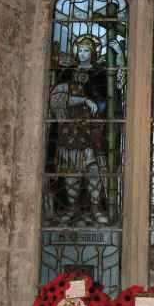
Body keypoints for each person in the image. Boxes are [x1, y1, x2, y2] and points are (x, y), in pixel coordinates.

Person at [50, 34, 122, 224]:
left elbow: (113, 94)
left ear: (93, 53)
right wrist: (82, 99)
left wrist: (102, 106)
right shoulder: (66, 72)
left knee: (93, 170)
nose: (83, 54)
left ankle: (96, 208)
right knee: (70, 171)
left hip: (93, 128)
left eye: (87, 51)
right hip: (69, 129)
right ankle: (71, 208)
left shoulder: (101, 72)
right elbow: (56, 97)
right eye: (80, 50)